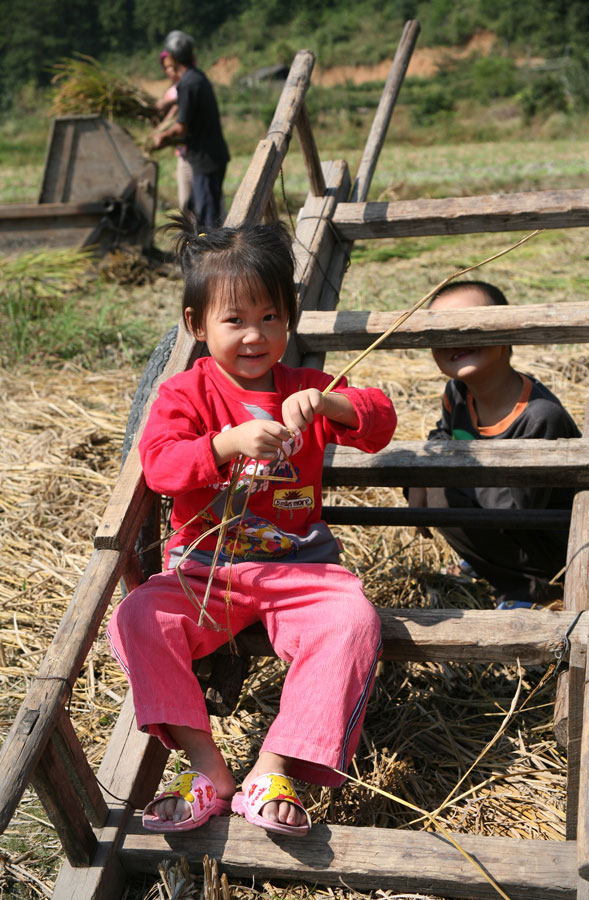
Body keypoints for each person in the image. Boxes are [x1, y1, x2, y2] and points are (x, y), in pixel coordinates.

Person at [107, 217, 397, 835]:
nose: (254, 336)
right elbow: (159, 464)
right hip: (206, 570)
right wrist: (223, 443)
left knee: (352, 621)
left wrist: (331, 403)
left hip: (300, 567)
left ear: (289, 320)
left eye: (270, 318)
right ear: (197, 325)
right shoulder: (185, 394)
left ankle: (274, 766)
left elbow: (381, 421)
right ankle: (207, 766)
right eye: (234, 320)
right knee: (135, 620)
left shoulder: (304, 387)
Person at [408, 280, 580, 610]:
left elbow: (515, 512)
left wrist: (439, 479)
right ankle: (489, 561)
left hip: (553, 548)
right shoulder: (457, 394)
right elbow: (441, 436)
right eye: (439, 332)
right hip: (500, 523)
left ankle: (528, 590)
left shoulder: (541, 416)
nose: (454, 338)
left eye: (469, 326)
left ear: (506, 331)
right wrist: (420, 476)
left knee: (442, 496)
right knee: (433, 487)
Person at [152, 30, 230, 225]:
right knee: (195, 211)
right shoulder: (196, 77)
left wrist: (161, 138)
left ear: (171, 57)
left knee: (208, 217)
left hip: (205, 160)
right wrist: (168, 106)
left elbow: (181, 128)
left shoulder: (187, 84)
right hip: (211, 157)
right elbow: (188, 105)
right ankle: (202, 250)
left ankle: (213, 253)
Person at [152, 51, 193, 211]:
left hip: (202, 155)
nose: (170, 70)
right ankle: (195, 235)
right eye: (166, 67)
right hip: (183, 154)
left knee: (210, 206)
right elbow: (168, 119)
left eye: (171, 66)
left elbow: (177, 111)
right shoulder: (170, 92)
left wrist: (161, 131)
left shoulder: (191, 84)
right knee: (186, 206)